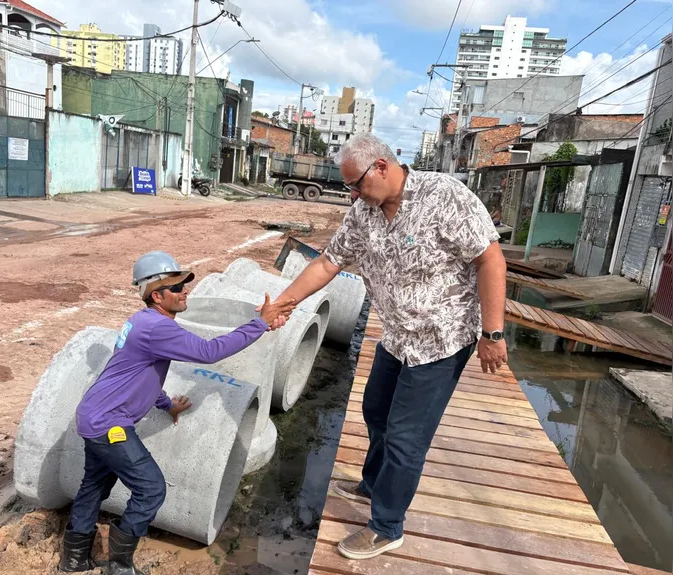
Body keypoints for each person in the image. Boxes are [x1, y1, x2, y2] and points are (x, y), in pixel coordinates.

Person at [272, 134, 507, 561]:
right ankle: (372, 484)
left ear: (381, 166)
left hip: (442, 339)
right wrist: (286, 302)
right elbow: (329, 261)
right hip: (397, 335)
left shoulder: (444, 195)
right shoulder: (364, 213)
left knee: (405, 438)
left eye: (356, 183)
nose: (353, 194)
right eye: (348, 188)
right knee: (375, 411)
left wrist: (493, 333)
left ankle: (386, 526)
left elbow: (490, 259)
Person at [59, 251, 295, 575]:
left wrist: (166, 404)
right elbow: (209, 352)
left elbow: (136, 375)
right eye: (177, 287)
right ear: (157, 296)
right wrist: (260, 324)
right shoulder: (157, 328)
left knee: (94, 487)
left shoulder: (142, 321)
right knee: (151, 488)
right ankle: (118, 565)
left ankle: (73, 560)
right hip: (108, 424)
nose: (186, 291)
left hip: (95, 415)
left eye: (185, 284)